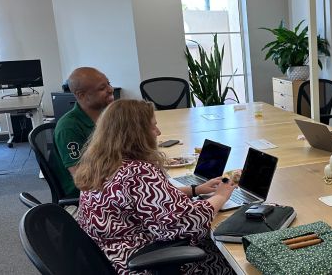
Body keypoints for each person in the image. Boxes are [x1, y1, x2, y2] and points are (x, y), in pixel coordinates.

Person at [74, 99, 236, 274]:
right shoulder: (137, 171)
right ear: (135, 134)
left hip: (109, 257)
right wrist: (221, 196)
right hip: (141, 263)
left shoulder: (100, 164)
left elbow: (135, 200)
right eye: (152, 127)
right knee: (230, 260)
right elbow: (181, 223)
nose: (158, 132)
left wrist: (195, 190)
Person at [53, 67, 114, 198]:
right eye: (102, 88)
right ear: (81, 95)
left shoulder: (108, 117)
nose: (111, 89)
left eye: (109, 83)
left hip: (110, 183)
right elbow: (82, 179)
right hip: (86, 196)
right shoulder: (68, 127)